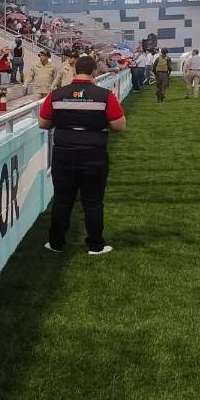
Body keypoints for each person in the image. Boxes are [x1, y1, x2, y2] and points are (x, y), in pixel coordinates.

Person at [39, 55, 127, 255]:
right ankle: (96, 245)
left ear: (74, 69)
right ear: (94, 71)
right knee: (93, 202)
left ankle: (55, 243)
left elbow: (43, 123)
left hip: (63, 154)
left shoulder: (56, 95)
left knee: (62, 200)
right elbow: (119, 125)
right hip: (94, 154)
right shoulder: (105, 95)